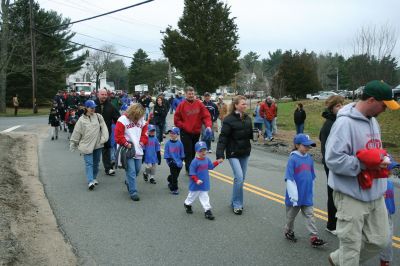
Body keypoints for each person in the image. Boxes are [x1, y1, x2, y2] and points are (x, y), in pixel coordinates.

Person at [325, 80, 400, 266]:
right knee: (351, 247)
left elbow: (375, 152)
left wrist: (383, 160)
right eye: (384, 105)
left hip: (375, 193)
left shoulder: (374, 121)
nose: (385, 110)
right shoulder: (344, 124)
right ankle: (344, 260)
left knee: (381, 240)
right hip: (351, 195)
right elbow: (333, 159)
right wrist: (364, 164)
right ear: (372, 100)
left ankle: (337, 259)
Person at [284, 134, 327, 247]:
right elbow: (289, 178)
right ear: (297, 145)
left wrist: (311, 190)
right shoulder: (293, 159)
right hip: (295, 196)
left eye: (309, 146)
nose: (308, 148)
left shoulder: (309, 158)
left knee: (310, 215)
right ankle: (288, 231)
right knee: (291, 217)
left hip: (306, 194)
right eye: (305, 145)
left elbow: (312, 176)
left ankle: (314, 237)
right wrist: (293, 196)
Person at [216, 95, 253, 215]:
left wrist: (256, 134)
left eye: (245, 104)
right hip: (233, 153)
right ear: (236, 105)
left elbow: (248, 134)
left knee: (240, 180)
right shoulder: (228, 119)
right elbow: (223, 138)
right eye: (242, 103)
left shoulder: (247, 118)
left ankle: (233, 201)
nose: (245, 105)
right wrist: (220, 154)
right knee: (239, 178)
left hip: (245, 152)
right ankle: (237, 204)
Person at [318, 95, 344, 235]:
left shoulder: (337, 121)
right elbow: (324, 142)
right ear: (331, 108)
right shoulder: (330, 123)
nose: (340, 108)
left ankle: (338, 221)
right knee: (332, 192)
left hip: (335, 163)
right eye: (337, 106)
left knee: (338, 192)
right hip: (331, 164)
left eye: (341, 105)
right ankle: (331, 225)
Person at [69, 100, 109, 190]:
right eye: (91, 108)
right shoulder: (81, 120)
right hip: (86, 146)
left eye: (94, 107)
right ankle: (90, 181)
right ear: (86, 108)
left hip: (98, 144)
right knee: (89, 163)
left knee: (96, 163)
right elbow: (77, 132)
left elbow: (104, 128)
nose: (93, 109)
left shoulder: (99, 117)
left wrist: (104, 138)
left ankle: (94, 178)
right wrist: (73, 142)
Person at [114, 103, 148, 201]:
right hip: (127, 149)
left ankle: (128, 181)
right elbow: (118, 136)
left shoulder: (142, 120)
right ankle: (133, 192)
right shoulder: (122, 120)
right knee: (132, 171)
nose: (138, 120)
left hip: (138, 149)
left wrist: (142, 142)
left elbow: (145, 134)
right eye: (136, 117)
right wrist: (126, 143)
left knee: (137, 170)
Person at [174, 86, 212, 173]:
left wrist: (208, 126)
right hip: (185, 132)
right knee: (188, 151)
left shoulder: (199, 104)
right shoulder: (181, 105)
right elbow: (176, 120)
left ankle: (189, 166)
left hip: (196, 132)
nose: (191, 95)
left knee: (193, 151)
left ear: (194, 94)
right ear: (185, 94)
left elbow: (206, 116)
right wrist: (183, 125)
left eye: (192, 94)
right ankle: (190, 169)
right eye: (189, 94)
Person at [184, 141, 223, 220]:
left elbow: (211, 167)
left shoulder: (207, 159)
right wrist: (197, 180)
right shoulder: (194, 162)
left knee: (205, 197)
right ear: (197, 152)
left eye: (204, 150)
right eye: (200, 151)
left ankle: (207, 211)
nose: (203, 152)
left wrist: (217, 162)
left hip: (204, 183)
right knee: (192, 196)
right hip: (196, 184)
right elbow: (192, 173)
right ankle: (187, 204)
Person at [95, 88, 121, 176]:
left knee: (106, 150)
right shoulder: (93, 105)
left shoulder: (111, 106)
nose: (104, 96)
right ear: (98, 94)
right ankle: (93, 167)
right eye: (102, 94)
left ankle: (108, 168)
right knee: (94, 150)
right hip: (93, 133)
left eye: (105, 94)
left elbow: (118, 119)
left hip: (106, 132)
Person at [164, 127, 185, 194]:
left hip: (179, 163)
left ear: (177, 134)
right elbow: (166, 153)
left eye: (174, 133)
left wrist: (181, 160)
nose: (172, 134)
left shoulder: (180, 143)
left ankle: (170, 179)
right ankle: (174, 189)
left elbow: (182, 153)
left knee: (175, 175)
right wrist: (169, 161)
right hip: (172, 162)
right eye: (171, 133)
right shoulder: (167, 143)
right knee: (175, 177)